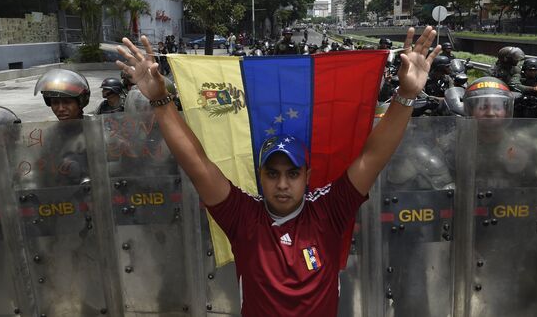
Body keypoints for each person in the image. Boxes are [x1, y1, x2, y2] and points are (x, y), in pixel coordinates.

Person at [116, 26, 441, 316]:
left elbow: (372, 158)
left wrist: (406, 95)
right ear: (260, 177)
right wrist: (160, 101)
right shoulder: (243, 218)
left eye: (292, 173)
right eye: (272, 174)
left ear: (308, 176)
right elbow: (198, 164)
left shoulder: (329, 211)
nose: (282, 184)